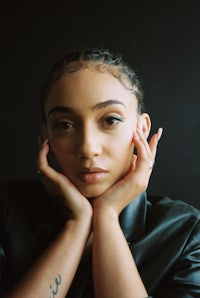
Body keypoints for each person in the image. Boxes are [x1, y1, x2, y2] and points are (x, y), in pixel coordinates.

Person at [0, 48, 199, 298]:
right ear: (46, 135)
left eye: (110, 120)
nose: (87, 148)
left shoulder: (185, 234)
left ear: (142, 128)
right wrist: (77, 224)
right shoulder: (7, 209)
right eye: (64, 125)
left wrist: (106, 216)